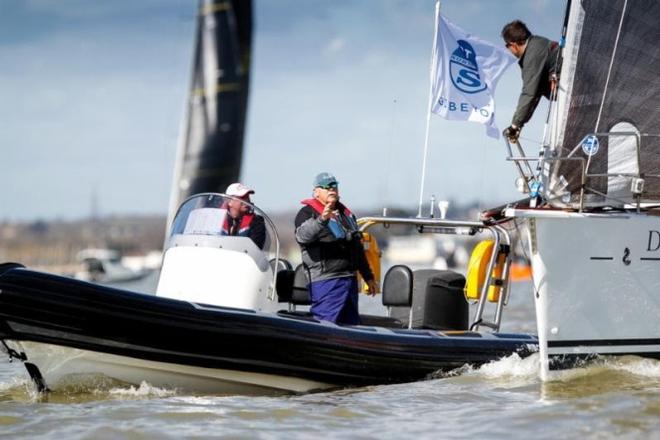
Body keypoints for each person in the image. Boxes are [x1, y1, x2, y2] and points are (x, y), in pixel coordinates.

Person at [294, 172, 377, 325]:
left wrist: (368, 276)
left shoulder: (346, 215)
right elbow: (302, 237)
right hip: (326, 281)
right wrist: (322, 220)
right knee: (325, 326)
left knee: (351, 327)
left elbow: (357, 247)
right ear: (316, 191)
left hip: (350, 280)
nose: (331, 189)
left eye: (334, 185)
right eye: (326, 186)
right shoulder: (306, 213)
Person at [501, 20, 559, 143]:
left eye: (507, 46)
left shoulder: (533, 55)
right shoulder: (538, 44)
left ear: (513, 44)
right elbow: (535, 92)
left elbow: (529, 93)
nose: (508, 49)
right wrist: (519, 125)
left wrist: (515, 125)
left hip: (584, 99)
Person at [223, 182, 266, 249]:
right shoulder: (218, 219)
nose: (247, 200)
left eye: (247, 197)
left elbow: (255, 248)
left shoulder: (257, 222)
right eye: (242, 197)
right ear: (230, 202)